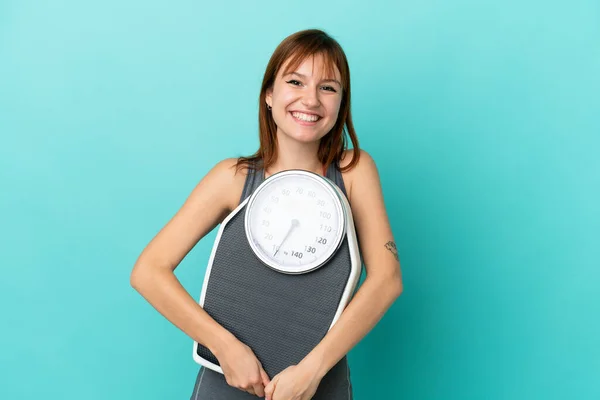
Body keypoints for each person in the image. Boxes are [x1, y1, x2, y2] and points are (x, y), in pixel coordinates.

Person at [130, 28, 403, 400]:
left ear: (341, 102)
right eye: (296, 81)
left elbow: (387, 279)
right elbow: (148, 270)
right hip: (228, 380)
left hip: (316, 383)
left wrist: (313, 369)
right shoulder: (233, 178)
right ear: (269, 96)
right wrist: (225, 348)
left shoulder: (354, 171)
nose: (311, 100)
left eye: (328, 87)